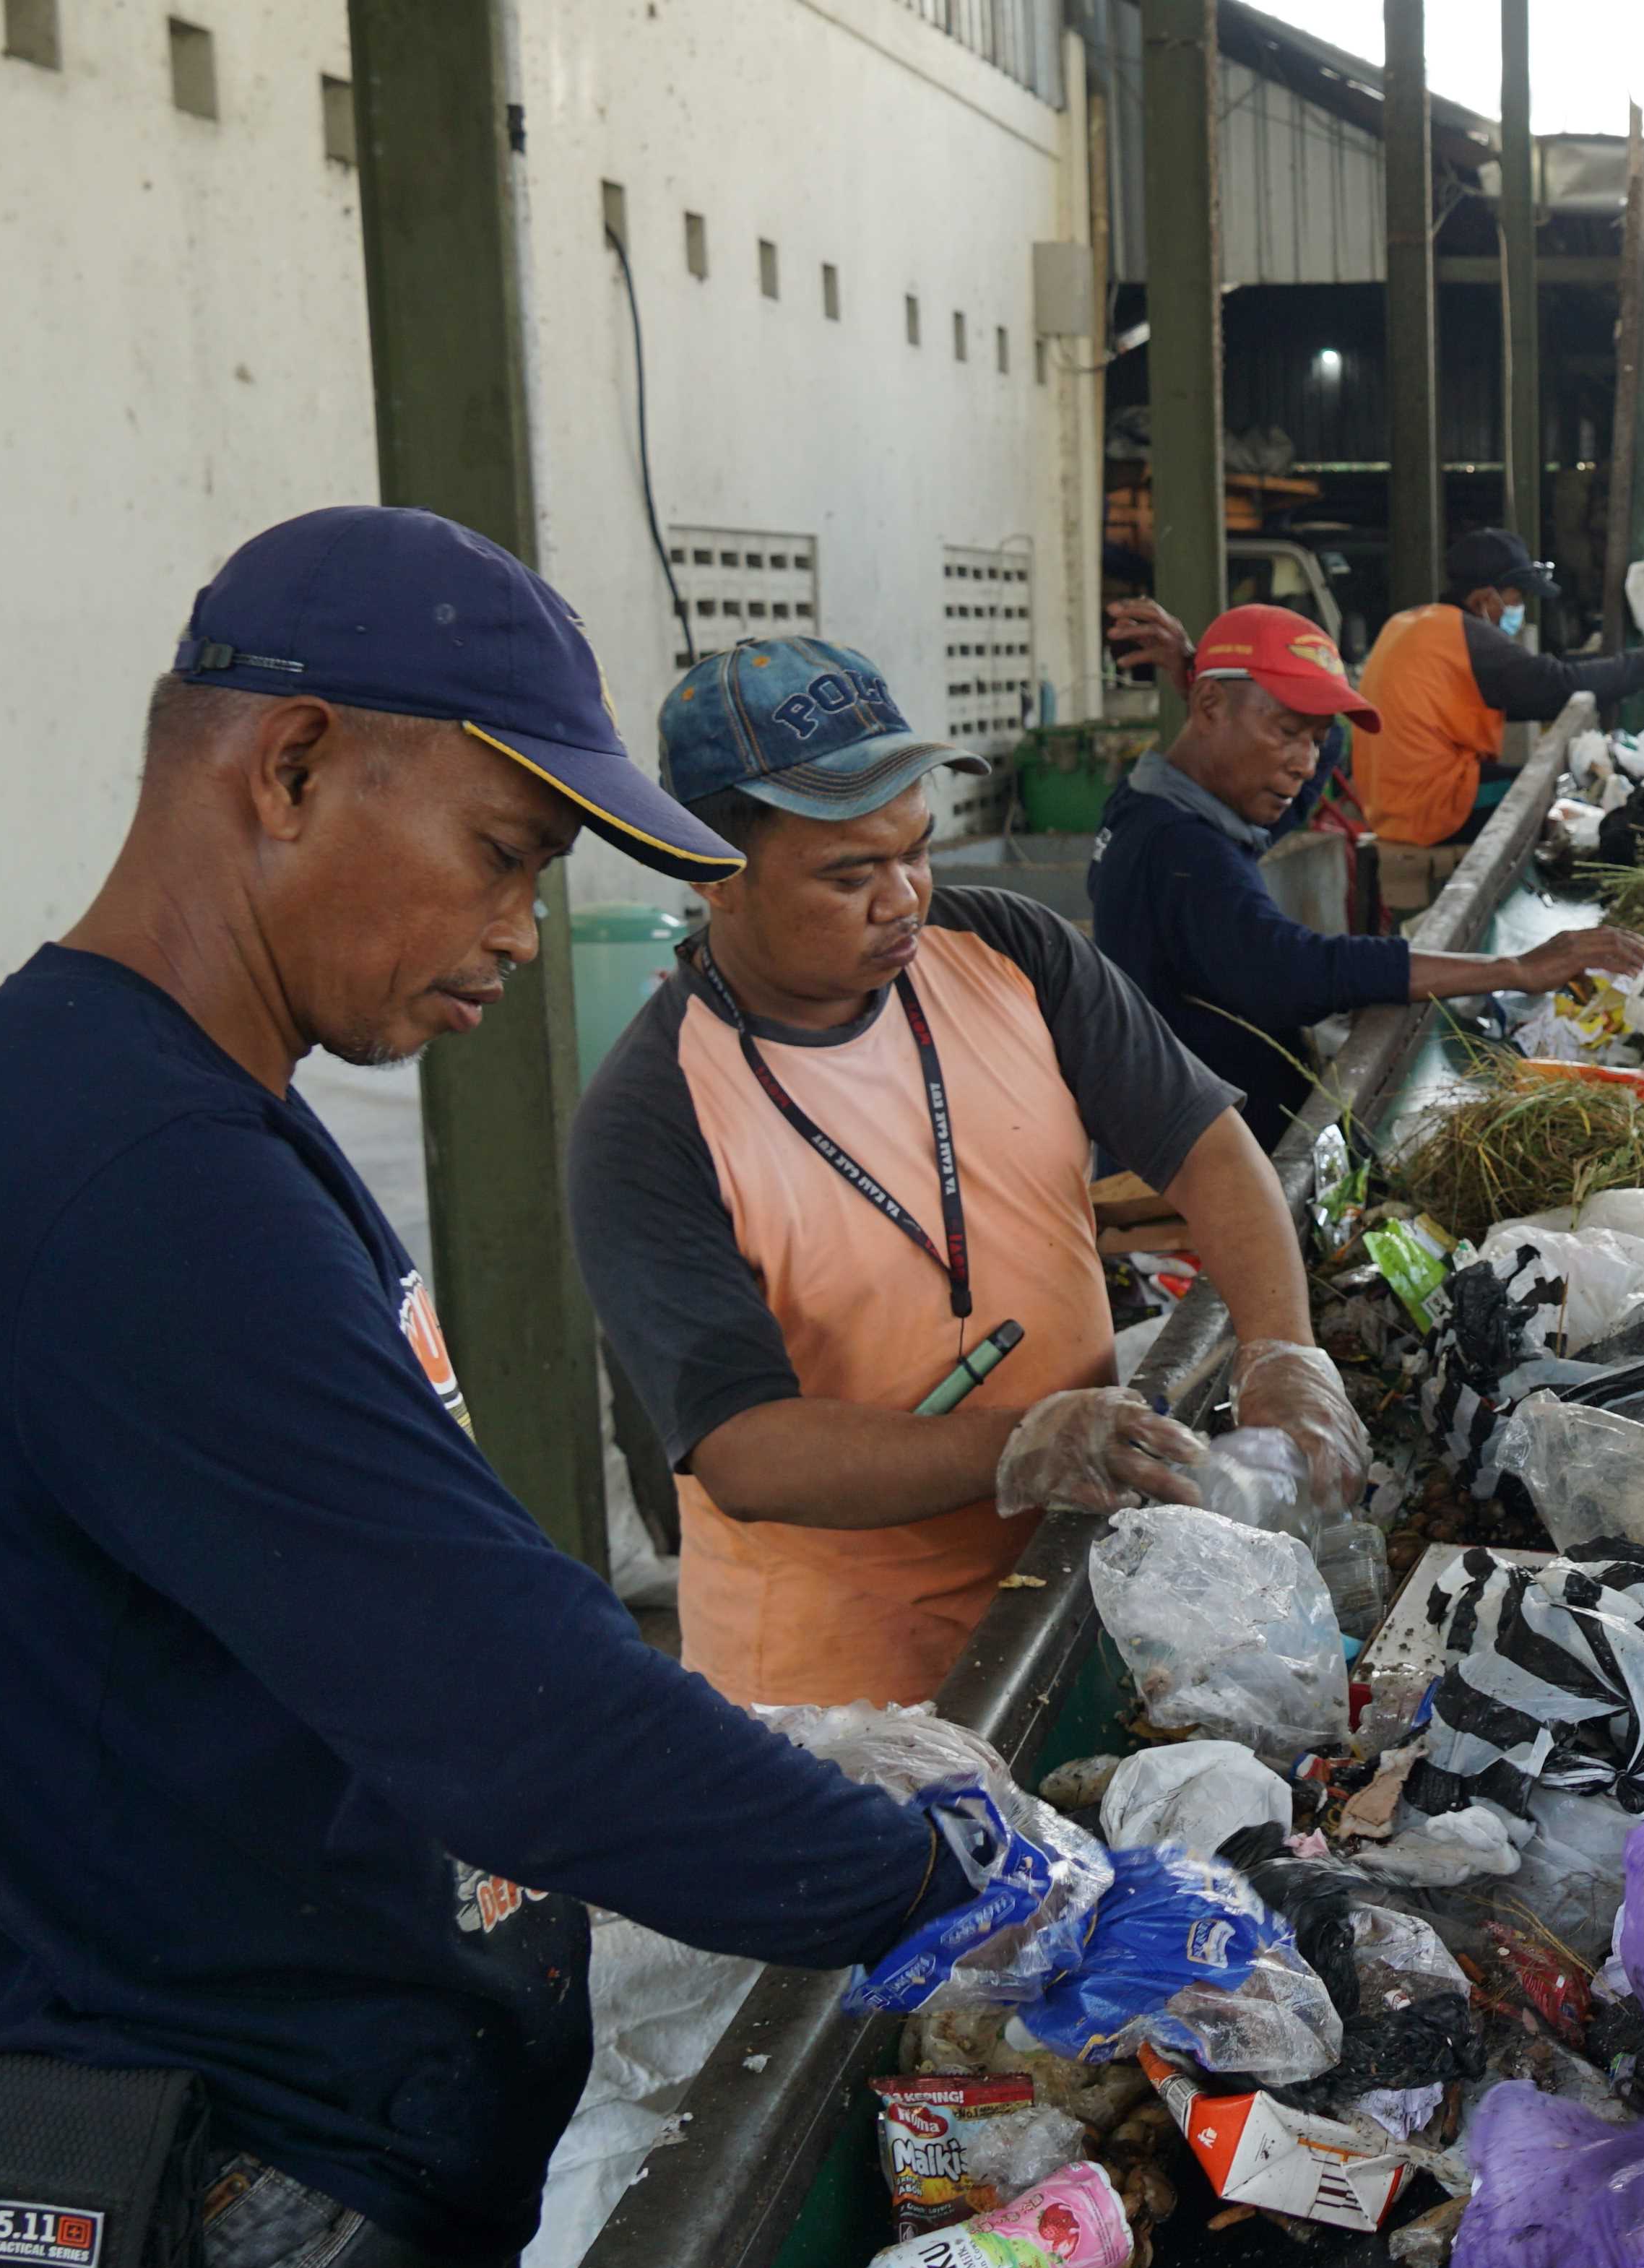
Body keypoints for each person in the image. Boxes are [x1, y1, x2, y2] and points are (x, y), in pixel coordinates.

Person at [0, 509, 995, 2268]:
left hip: (285, 2131)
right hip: (217, 2201)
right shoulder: (131, 1183)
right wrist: (960, 1887)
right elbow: (521, 1719)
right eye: (501, 854)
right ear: (290, 766)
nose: (525, 932)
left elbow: (405, 1613)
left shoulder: (168, 1117)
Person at [563, 633, 1360, 1709]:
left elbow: (1206, 1149)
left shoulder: (1006, 952)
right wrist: (1016, 1446)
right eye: (851, 873)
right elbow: (746, 1450)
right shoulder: (653, 1116)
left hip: (1080, 1589)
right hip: (842, 1682)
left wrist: (1281, 1348)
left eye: (918, 850)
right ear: (714, 870)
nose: (904, 898)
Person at [1092, 603, 1644, 1144]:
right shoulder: (1183, 850)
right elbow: (1295, 971)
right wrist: (1516, 967)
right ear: (1210, 707)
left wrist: (1205, 679)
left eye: (1311, 740)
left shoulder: (1156, 803)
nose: (1306, 764)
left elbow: (1330, 741)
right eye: (1287, 731)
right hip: (1202, 1182)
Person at [1349, 526, 1644, 851]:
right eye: (1517, 598)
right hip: (1433, 806)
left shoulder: (1412, 625)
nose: (1518, 611)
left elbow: (1524, 696)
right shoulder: (1463, 635)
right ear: (1484, 598)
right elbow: (1555, 687)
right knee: (1563, 796)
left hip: (1392, 804)